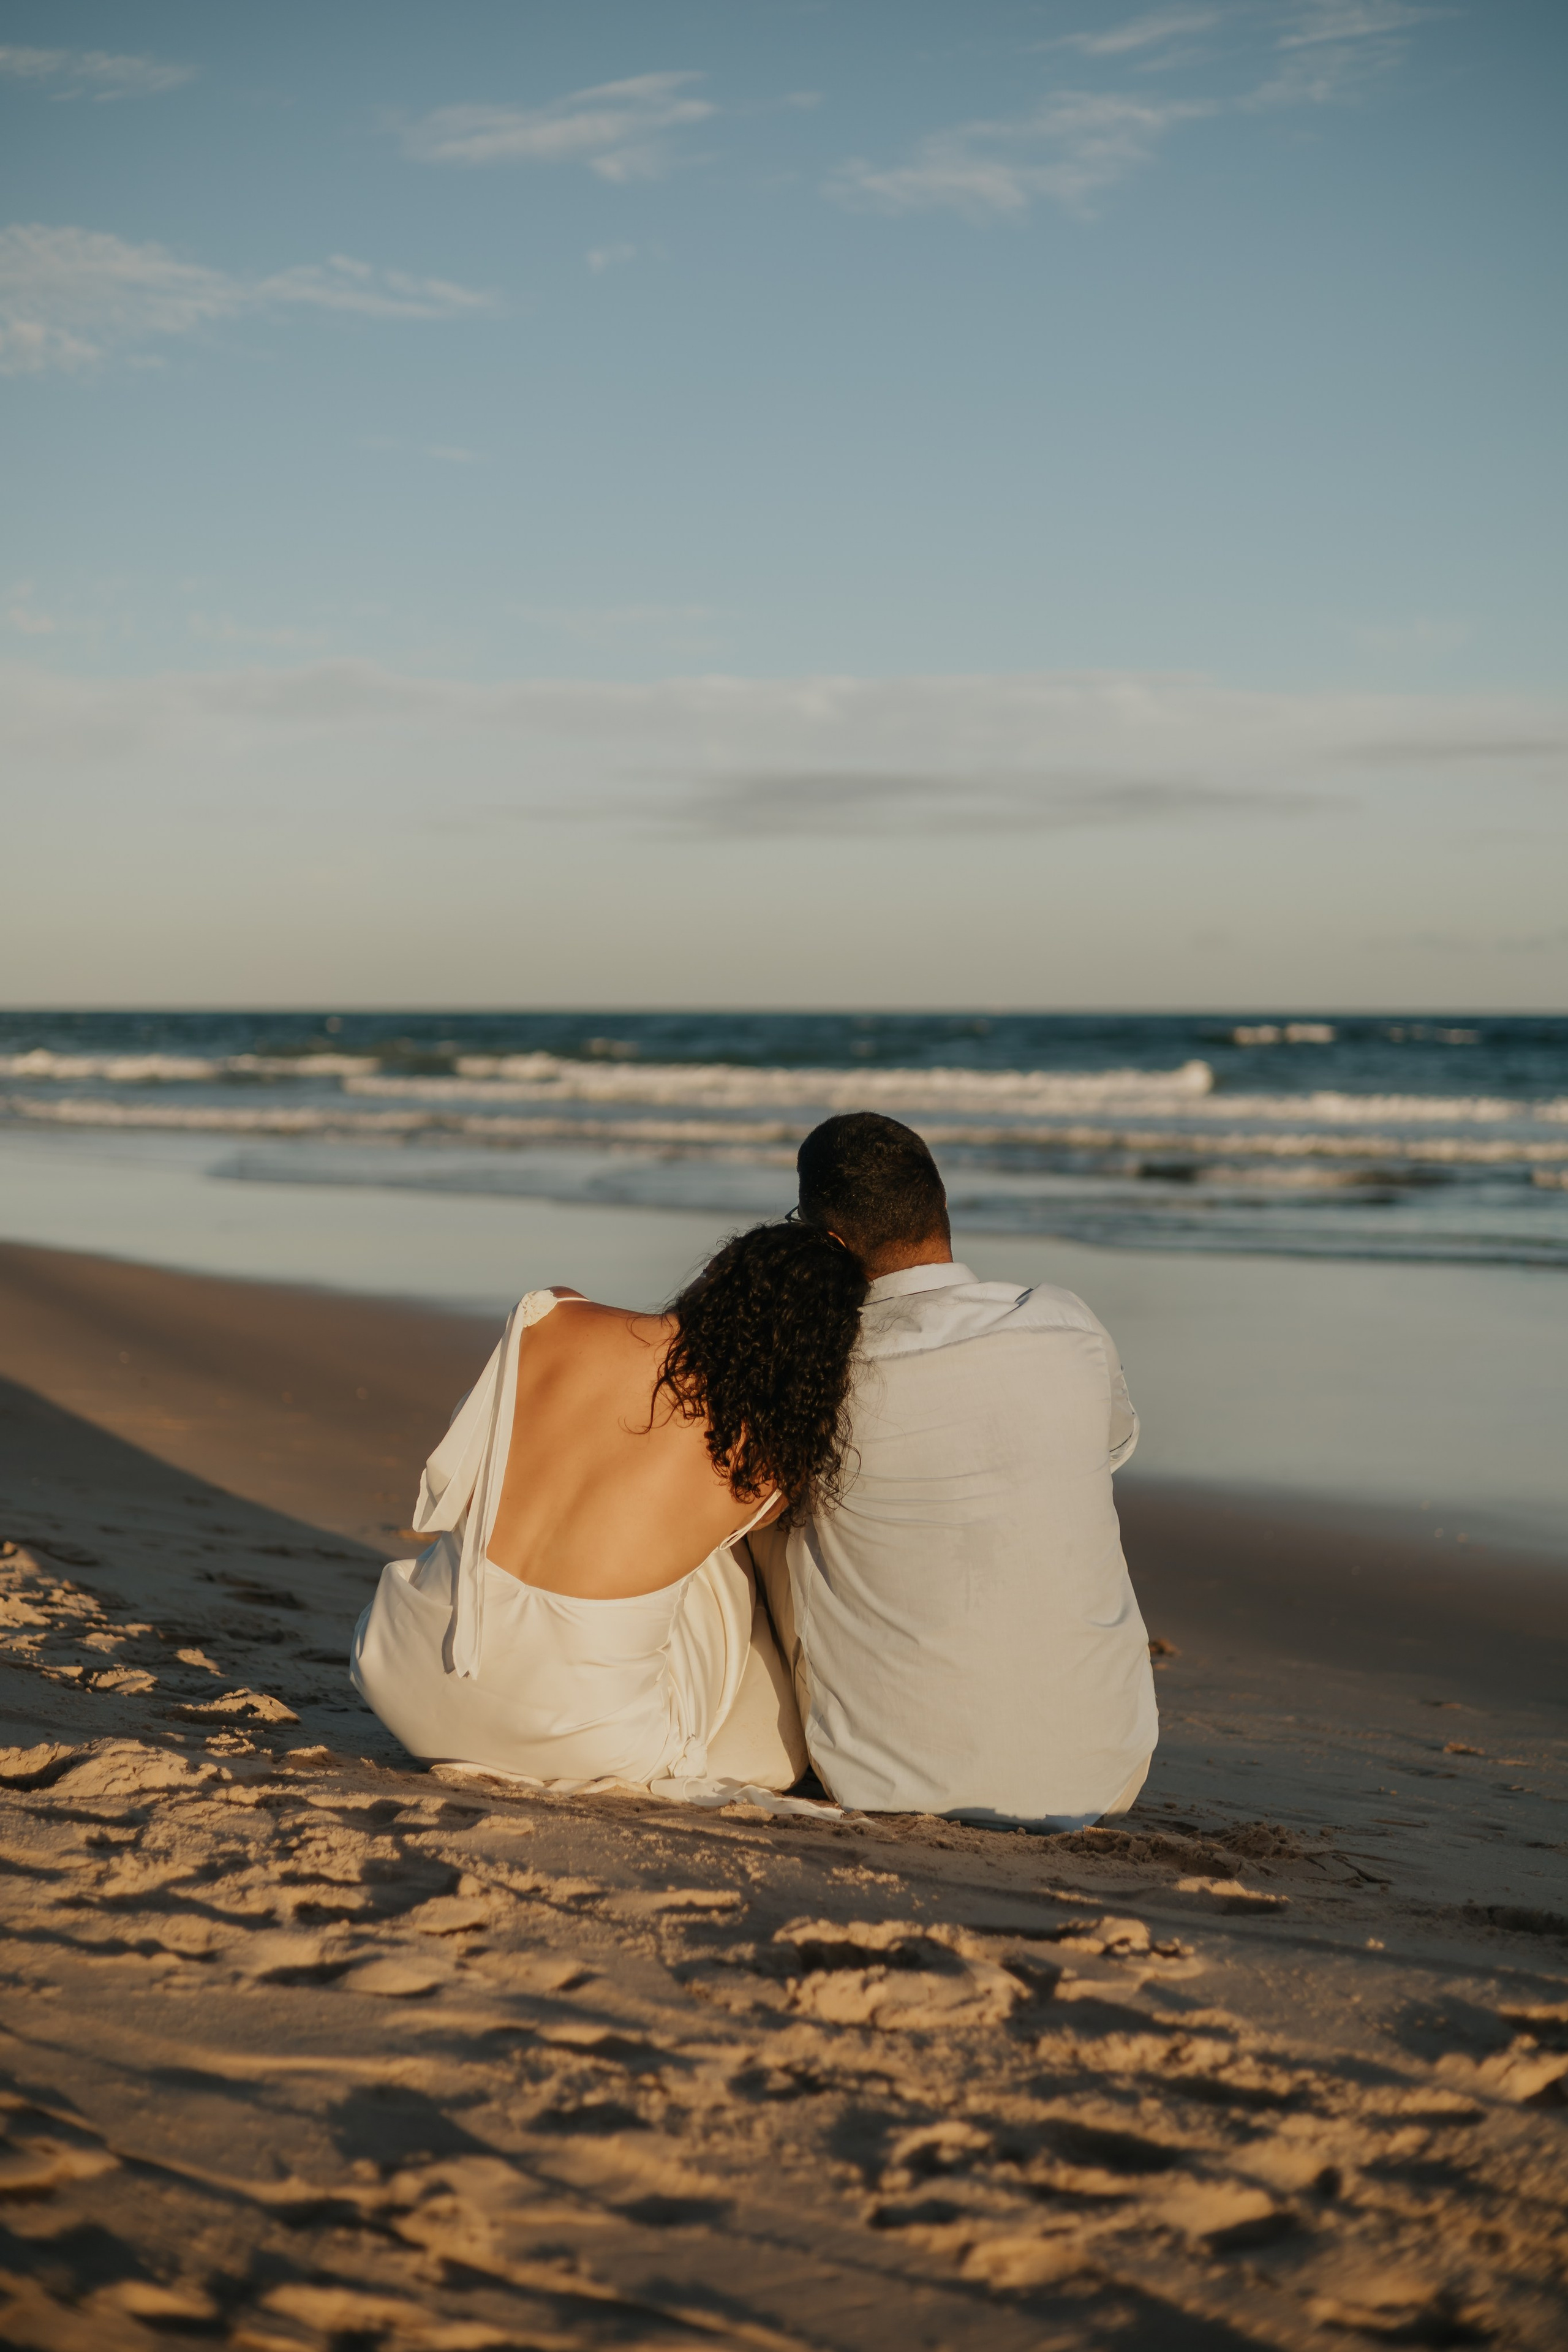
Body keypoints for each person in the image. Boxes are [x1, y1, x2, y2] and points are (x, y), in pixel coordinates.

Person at [352, 1221, 864, 1798]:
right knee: (722, 1570)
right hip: (591, 1741)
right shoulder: (763, 1469)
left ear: (718, 1272)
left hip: (407, 1670)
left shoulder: (550, 1317)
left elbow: (467, 1461)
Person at [746, 1112, 1157, 1830]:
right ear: (939, 1208)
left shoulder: (819, 1370)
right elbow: (1109, 1449)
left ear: (829, 1243)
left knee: (749, 1517)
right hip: (1111, 1772)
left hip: (888, 1778)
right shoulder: (1064, 1321)